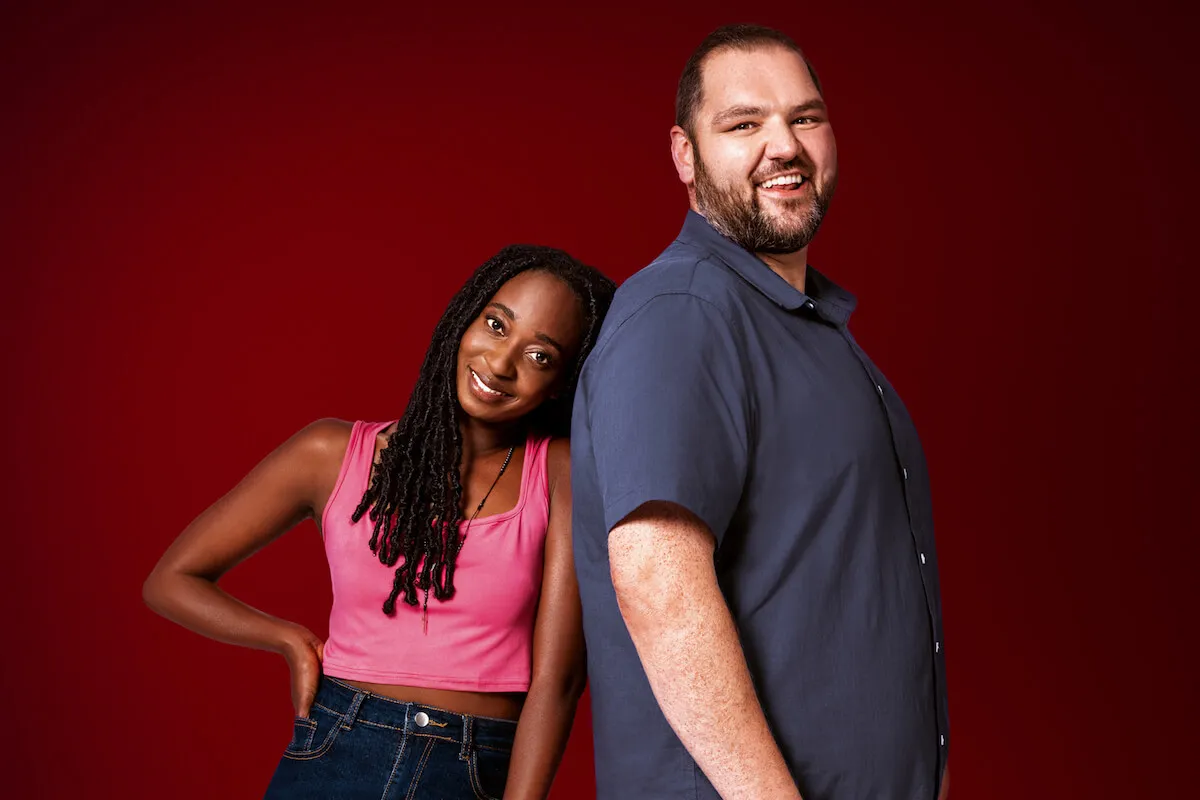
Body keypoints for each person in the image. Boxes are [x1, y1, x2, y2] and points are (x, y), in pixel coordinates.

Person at [570, 24, 949, 800]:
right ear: (685, 154)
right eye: (744, 124)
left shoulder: (810, 327)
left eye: (805, 118)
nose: (785, 145)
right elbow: (656, 580)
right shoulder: (682, 313)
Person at [144, 245, 615, 799]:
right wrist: (288, 639)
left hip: (472, 769)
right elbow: (170, 580)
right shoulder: (328, 453)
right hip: (335, 749)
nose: (501, 362)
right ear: (464, 319)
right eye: (495, 325)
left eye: (539, 356)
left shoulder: (561, 472)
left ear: (561, 382)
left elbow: (558, 682)